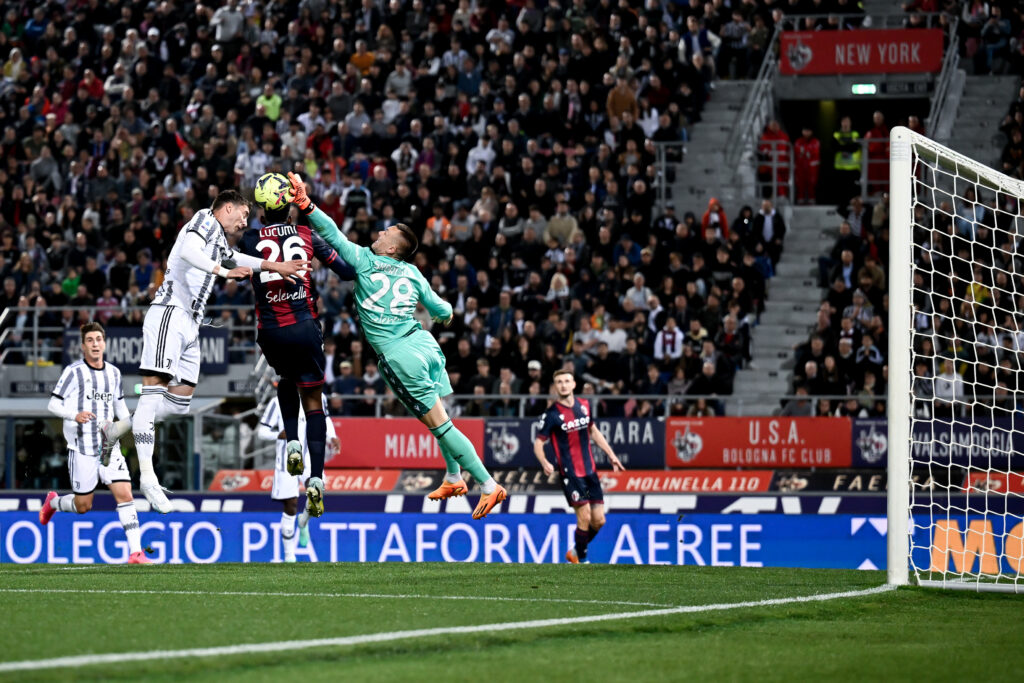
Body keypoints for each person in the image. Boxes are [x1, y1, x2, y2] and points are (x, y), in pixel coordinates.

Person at [285, 172, 508, 519]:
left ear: (391, 248)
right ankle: (453, 476)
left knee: (440, 426)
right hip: (425, 345)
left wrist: (306, 204)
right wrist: (447, 317)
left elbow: (332, 232)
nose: (378, 233)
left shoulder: (364, 260)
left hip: (399, 356)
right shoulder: (413, 272)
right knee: (439, 414)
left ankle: (488, 485)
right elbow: (443, 310)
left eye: (385, 233)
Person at [117, 190, 309, 513]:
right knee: (152, 395)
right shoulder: (205, 220)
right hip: (170, 311)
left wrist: (276, 266)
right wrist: (223, 272)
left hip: (191, 324)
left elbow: (235, 259)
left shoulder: (218, 239)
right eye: (243, 216)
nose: (244, 222)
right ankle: (148, 479)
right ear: (228, 208)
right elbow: (191, 252)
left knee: (178, 405)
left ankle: (115, 429)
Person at [239, 198, 356, 519]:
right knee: (314, 400)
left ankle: (292, 442)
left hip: (271, 330)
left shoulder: (250, 239)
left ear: (261, 212)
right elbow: (345, 271)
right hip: (304, 326)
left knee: (285, 379)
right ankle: (315, 478)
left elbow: (232, 270)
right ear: (289, 210)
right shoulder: (305, 234)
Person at [40, 323, 150, 564]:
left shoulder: (114, 373)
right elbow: (53, 405)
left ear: (105, 343)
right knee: (83, 506)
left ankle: (136, 553)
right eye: (90, 340)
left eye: (98, 339)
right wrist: (74, 414)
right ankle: (54, 502)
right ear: (83, 346)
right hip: (82, 449)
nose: (95, 344)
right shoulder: (73, 372)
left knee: (124, 493)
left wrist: (135, 421)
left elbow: (120, 408)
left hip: (108, 446)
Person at [533, 369, 625, 564]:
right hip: (571, 474)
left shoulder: (584, 405)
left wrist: (611, 455)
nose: (563, 385)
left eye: (567, 381)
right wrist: (544, 462)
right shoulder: (551, 415)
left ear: (574, 384)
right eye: (559, 382)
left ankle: (575, 551)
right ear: (555, 387)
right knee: (584, 516)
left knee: (599, 520)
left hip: (590, 471)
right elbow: (538, 443)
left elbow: (593, 430)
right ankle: (582, 562)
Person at [257, 391, 339, 561]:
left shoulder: (318, 396)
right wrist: (277, 435)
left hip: (310, 456)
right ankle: (289, 556)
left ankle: (303, 521)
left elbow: (325, 418)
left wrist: (332, 436)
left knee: (316, 493)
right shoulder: (276, 401)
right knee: (291, 505)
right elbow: (261, 432)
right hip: (287, 460)